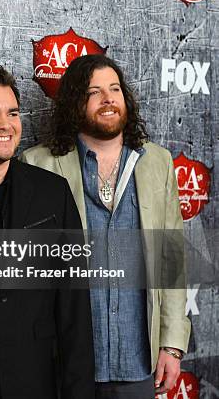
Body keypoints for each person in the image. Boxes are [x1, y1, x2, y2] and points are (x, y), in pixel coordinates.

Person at [22, 54, 191, 398]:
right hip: (65, 361)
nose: (108, 98)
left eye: (114, 89)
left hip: (138, 361)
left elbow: (171, 259)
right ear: (73, 102)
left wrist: (172, 345)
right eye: (94, 92)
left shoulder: (157, 162)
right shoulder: (37, 164)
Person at [0, 65, 95, 399]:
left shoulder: (52, 192)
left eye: (12, 112)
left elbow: (74, 304)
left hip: (37, 381)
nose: (6, 124)